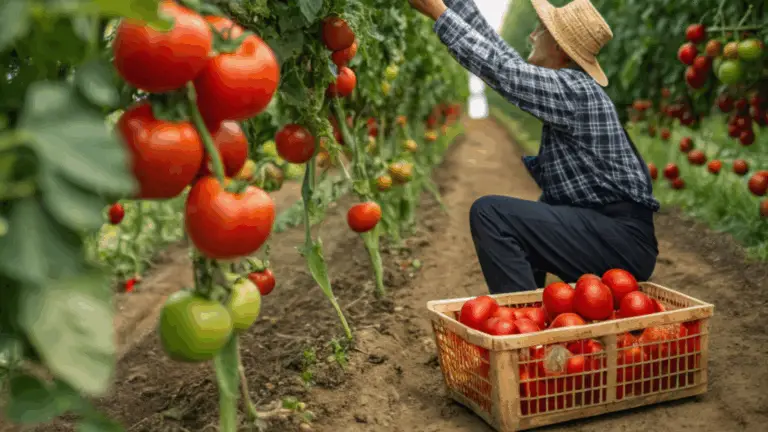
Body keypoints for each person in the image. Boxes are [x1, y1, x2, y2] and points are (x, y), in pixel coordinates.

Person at [407, 0, 659, 293]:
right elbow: (502, 56)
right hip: (612, 234)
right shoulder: (570, 86)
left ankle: (523, 329)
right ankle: (531, 319)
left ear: (560, 50)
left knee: (492, 214)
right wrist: (452, 5)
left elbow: (504, 72)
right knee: (532, 216)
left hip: (621, 241)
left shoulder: (575, 90)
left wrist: (439, 15)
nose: (532, 35)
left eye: (541, 30)